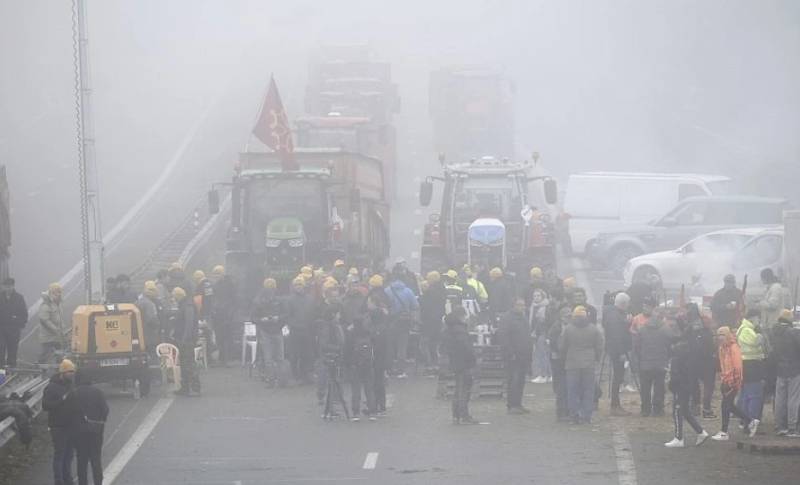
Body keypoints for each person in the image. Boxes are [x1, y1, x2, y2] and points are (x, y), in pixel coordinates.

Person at [560, 306, 604, 424]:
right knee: (588, 390)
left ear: (574, 316)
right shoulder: (593, 329)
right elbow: (599, 345)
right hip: (589, 363)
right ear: (586, 316)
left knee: (572, 390)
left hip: (572, 363)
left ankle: (574, 415)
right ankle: (586, 416)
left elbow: (562, 346)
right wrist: (596, 358)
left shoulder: (568, 329)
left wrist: (564, 358)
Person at [665, 333, 710, 448]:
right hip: (688, 387)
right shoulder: (689, 354)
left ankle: (679, 438)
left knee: (677, 411)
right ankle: (700, 432)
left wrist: (671, 385)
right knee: (685, 411)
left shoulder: (677, 358)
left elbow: (676, 376)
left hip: (680, 388)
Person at [711, 326, 754, 441]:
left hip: (733, 382)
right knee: (729, 406)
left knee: (725, 406)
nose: (720, 337)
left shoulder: (734, 347)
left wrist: (735, 381)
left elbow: (738, 366)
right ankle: (750, 421)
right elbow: (722, 365)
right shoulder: (721, 348)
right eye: (719, 335)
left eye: (722, 335)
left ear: (727, 335)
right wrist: (723, 378)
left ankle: (724, 432)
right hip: (726, 380)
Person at [43, 358, 78, 485]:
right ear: (62, 373)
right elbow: (45, 406)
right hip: (58, 426)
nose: (72, 374)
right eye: (69, 372)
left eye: (73, 371)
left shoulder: (71, 385)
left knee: (69, 455)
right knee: (60, 454)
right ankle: (59, 481)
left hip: (71, 425)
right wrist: (61, 400)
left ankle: (68, 480)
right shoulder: (51, 387)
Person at [634, 310, 675, 417]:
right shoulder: (666, 329)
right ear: (661, 318)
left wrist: (641, 358)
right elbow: (671, 345)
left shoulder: (642, 329)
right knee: (659, 387)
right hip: (661, 363)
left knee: (645, 387)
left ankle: (645, 409)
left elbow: (636, 346)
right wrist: (667, 357)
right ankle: (658, 409)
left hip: (645, 363)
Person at [72, 370, 109, 485]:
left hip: (79, 431)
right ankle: (98, 482)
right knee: (95, 459)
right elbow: (105, 410)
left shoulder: (74, 393)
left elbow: (69, 412)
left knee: (81, 460)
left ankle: (83, 482)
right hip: (96, 430)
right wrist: (101, 421)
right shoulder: (98, 392)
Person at [443, 307, 478, 424]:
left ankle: (456, 415)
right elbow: (465, 347)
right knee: (464, 389)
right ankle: (463, 415)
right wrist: (473, 357)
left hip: (455, 362)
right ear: (461, 316)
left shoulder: (450, 328)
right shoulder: (460, 330)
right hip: (463, 363)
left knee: (459, 388)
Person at [499, 298, 533, 414]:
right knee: (513, 380)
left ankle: (518, 404)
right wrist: (510, 352)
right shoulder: (507, 318)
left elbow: (527, 336)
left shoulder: (523, 318)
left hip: (523, 355)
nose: (522, 307)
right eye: (519, 305)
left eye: (523, 305)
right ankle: (512, 405)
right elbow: (503, 337)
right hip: (513, 356)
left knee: (521, 381)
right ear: (513, 305)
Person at [770, 309, 800, 437]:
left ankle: (779, 426)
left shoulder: (773, 332)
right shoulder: (793, 332)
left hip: (780, 369)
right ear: (789, 319)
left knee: (780, 399)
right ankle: (792, 427)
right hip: (794, 369)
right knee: (793, 399)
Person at [736, 308, 767, 433]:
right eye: (759, 318)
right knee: (754, 395)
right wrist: (760, 334)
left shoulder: (745, 328)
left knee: (746, 395)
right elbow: (756, 342)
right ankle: (751, 422)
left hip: (748, 364)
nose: (759, 321)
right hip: (751, 365)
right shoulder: (746, 330)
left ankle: (746, 421)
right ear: (754, 317)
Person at [602, 292, 632, 416]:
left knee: (618, 377)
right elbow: (617, 336)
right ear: (623, 304)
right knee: (618, 377)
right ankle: (615, 405)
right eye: (628, 304)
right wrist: (621, 353)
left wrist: (625, 323)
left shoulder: (611, 313)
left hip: (614, 349)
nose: (628, 306)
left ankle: (616, 404)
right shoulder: (615, 316)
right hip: (618, 351)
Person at [251, 278, 286, 387]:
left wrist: (278, 318)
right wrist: (262, 320)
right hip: (266, 331)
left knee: (275, 358)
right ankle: (273, 380)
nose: (271, 288)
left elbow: (286, 314)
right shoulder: (258, 301)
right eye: (269, 286)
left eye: (272, 286)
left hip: (275, 330)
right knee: (270, 358)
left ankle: (279, 381)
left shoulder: (279, 299)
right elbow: (253, 318)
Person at [686, 303, 717, 418]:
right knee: (708, 385)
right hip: (707, 361)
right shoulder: (706, 327)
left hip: (693, 359)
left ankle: (695, 407)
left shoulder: (689, 326)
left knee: (694, 384)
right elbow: (712, 345)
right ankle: (706, 409)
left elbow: (684, 339)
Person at [344, 311, 376, 421]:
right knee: (369, 389)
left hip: (355, 365)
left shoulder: (350, 335)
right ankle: (372, 412)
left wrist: (347, 364)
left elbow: (347, 351)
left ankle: (356, 413)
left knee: (356, 389)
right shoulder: (368, 333)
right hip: (368, 364)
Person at [384, 276, 418, 378]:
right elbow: (415, 306)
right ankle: (401, 370)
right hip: (404, 322)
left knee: (389, 346)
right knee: (402, 347)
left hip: (390, 322)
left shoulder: (387, 291)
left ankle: (389, 369)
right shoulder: (408, 291)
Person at [170, 287, 201, 396]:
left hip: (187, 339)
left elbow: (189, 323)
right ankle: (185, 387)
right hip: (183, 339)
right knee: (184, 363)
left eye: (174, 297)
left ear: (178, 296)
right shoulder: (185, 304)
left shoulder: (187, 305)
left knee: (189, 363)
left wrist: (185, 338)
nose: (173, 299)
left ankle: (195, 388)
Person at [285, 276, 316, 384]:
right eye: (296, 285)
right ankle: (295, 375)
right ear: (293, 287)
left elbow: (313, 314)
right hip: (295, 331)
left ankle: (305, 375)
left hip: (308, 331)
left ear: (304, 286)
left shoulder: (310, 299)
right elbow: (287, 316)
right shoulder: (289, 300)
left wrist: (311, 326)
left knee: (306, 354)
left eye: (300, 284)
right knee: (294, 355)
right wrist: (293, 325)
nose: (298, 287)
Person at [367, 292, 391, 415]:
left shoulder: (375, 328)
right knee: (379, 382)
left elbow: (376, 345)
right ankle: (381, 405)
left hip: (376, 358)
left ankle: (375, 405)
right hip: (382, 358)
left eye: (369, 302)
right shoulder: (384, 324)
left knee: (375, 382)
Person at [418, 271, 446, 371]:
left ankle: (429, 364)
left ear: (433, 279)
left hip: (428, 321)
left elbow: (424, 307)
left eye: (428, 279)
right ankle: (435, 364)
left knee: (424, 343)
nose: (427, 281)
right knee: (434, 343)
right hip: (438, 320)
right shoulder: (442, 289)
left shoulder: (430, 292)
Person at [549, 305, 572, 421]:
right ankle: (561, 412)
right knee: (561, 387)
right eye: (568, 316)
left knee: (568, 386)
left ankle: (568, 410)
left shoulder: (570, 327)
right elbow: (553, 343)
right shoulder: (556, 327)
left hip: (568, 360)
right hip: (559, 361)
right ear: (562, 317)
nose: (570, 318)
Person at [210, 265, 236, 365]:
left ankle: (227, 359)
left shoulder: (229, 284)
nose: (215, 276)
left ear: (222, 274)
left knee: (226, 337)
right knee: (219, 337)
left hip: (226, 315)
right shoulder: (216, 284)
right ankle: (222, 358)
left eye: (217, 274)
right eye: (215, 275)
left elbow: (233, 300)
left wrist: (230, 313)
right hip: (218, 314)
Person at [0, 277, 27, 368]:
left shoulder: (19, 298)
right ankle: (1, 375)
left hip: (14, 330)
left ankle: (11, 372)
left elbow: (24, 314)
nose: (8, 288)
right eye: (6, 286)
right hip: (1, 329)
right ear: (3, 286)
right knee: (1, 350)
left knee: (12, 352)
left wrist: (19, 324)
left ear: (13, 286)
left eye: (10, 286)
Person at [38, 283, 68, 364]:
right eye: (57, 292)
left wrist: (63, 329)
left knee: (60, 355)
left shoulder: (57, 304)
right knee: (45, 355)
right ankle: (40, 368)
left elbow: (59, 318)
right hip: (48, 337)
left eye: (59, 292)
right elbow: (44, 320)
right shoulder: (46, 305)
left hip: (57, 337)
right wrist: (55, 329)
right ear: (51, 293)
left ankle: (59, 368)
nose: (59, 294)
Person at [529, 288, 552, 384]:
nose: (536, 297)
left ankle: (543, 375)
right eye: (534, 296)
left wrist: (547, 336)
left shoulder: (546, 307)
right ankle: (548, 375)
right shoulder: (533, 307)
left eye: (538, 295)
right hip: (536, 334)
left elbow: (547, 322)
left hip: (543, 333)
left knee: (542, 355)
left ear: (543, 296)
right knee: (540, 355)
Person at [136, 281, 161, 355]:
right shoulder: (150, 304)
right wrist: (158, 324)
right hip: (150, 335)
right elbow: (152, 319)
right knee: (152, 355)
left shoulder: (137, 302)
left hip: (139, 335)